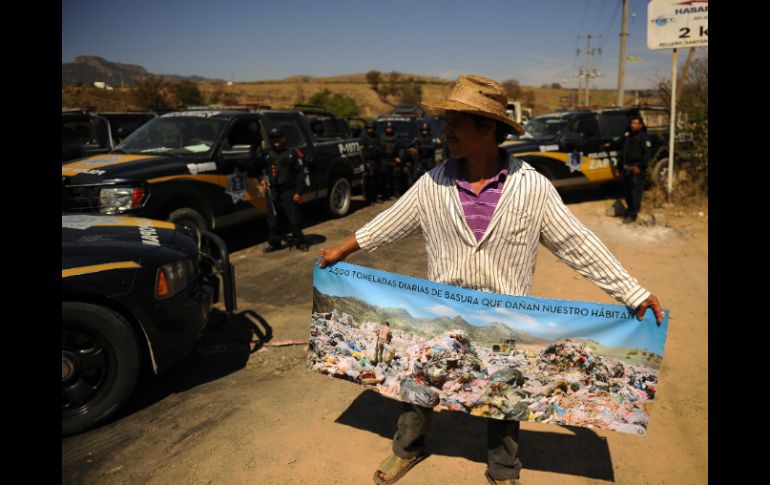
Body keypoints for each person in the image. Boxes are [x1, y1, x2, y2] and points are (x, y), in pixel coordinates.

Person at [317, 74, 665, 485]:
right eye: (446, 122)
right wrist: (343, 249)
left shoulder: (531, 187)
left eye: (455, 124)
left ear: (488, 129)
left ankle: (503, 470)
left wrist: (632, 291)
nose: (446, 132)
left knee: (504, 398)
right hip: (442, 308)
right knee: (420, 385)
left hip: (506, 316)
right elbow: (389, 222)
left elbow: (577, 243)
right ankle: (407, 449)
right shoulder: (434, 183)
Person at [258, 127, 309, 252]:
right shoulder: (266, 154)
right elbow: (257, 168)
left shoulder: (292, 153)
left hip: (289, 191)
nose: (276, 141)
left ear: (283, 138)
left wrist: (298, 192)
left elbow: (300, 174)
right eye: (273, 138)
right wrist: (261, 179)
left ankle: (300, 241)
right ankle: (275, 243)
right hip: (273, 191)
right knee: (273, 219)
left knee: (293, 218)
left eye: (278, 138)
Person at [620, 117, 652, 223]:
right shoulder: (628, 136)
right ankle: (629, 211)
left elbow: (647, 155)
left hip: (636, 169)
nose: (632, 125)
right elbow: (623, 152)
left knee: (635, 193)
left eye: (635, 123)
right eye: (631, 123)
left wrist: (639, 166)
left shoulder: (643, 138)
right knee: (627, 192)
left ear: (640, 125)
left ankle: (633, 214)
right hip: (626, 169)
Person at [360, 121, 383, 204]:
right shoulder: (364, 138)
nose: (371, 130)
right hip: (369, 162)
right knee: (369, 182)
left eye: (372, 128)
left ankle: (374, 198)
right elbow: (362, 152)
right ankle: (368, 199)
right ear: (367, 129)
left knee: (376, 181)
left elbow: (380, 148)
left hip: (376, 161)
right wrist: (365, 163)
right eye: (369, 128)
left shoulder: (377, 137)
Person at [379, 123, 404, 198]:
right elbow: (379, 148)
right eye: (387, 128)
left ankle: (396, 192)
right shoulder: (382, 137)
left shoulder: (397, 137)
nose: (389, 129)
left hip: (394, 159)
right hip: (385, 159)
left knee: (396, 177)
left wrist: (399, 157)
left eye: (390, 128)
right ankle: (386, 193)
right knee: (385, 177)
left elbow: (401, 148)